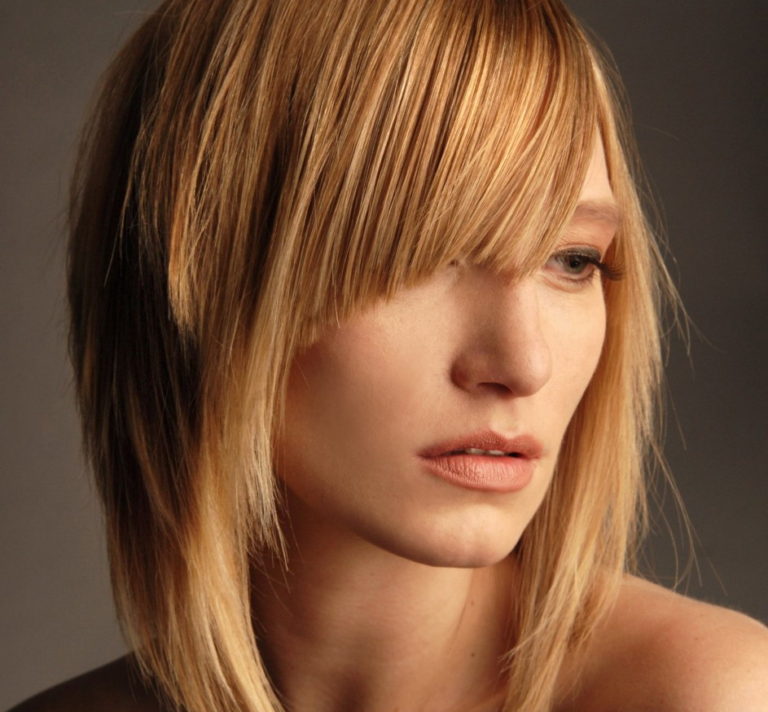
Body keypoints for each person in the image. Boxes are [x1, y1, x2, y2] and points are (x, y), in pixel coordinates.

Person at [9, 0, 768, 711]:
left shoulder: (708, 694)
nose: (524, 363)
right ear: (206, 278)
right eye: (424, 257)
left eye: (573, 260)